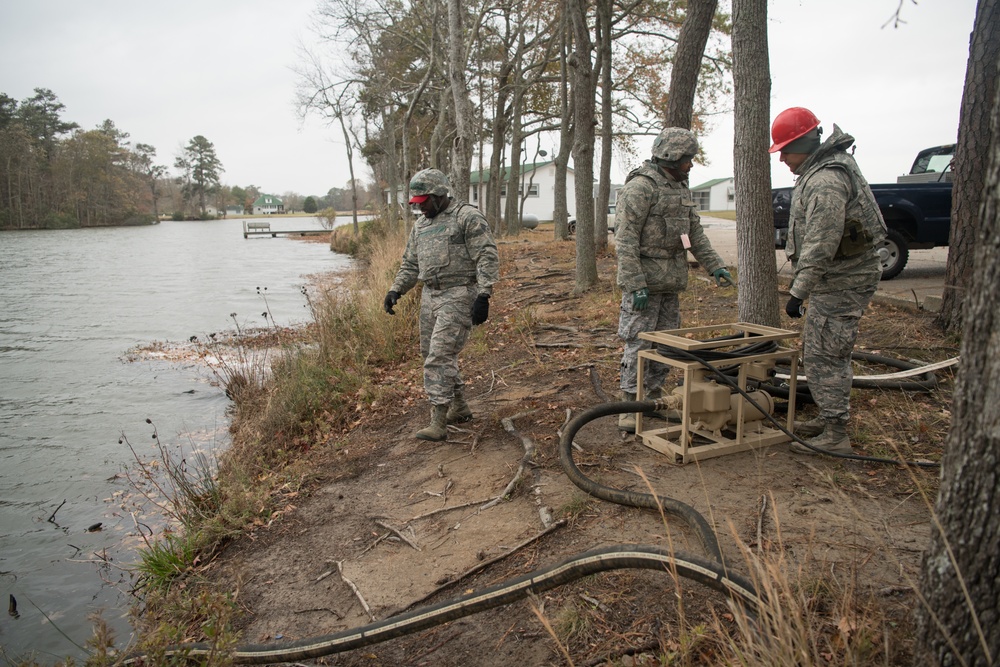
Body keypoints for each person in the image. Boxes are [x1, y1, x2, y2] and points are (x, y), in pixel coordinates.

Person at [769, 107, 886, 455]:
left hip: (842, 280)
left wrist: (797, 292)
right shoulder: (822, 169)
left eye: (785, 150)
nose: (783, 159)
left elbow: (822, 243)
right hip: (837, 278)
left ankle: (835, 434)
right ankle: (828, 417)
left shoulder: (824, 180)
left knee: (826, 355)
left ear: (803, 143)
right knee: (823, 351)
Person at [614, 127, 734, 433]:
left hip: (671, 283)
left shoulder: (681, 188)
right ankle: (629, 404)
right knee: (638, 344)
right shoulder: (641, 188)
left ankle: (653, 400)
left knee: (667, 345)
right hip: (644, 285)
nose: (690, 165)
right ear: (670, 156)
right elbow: (625, 240)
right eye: (686, 160)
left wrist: (715, 266)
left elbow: (694, 233)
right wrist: (635, 283)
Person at [383, 168, 499, 442]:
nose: (420, 209)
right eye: (416, 204)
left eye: (424, 203)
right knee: (430, 353)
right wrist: (396, 289)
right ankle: (459, 407)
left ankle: (438, 422)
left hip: (459, 294)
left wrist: (484, 294)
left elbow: (486, 255)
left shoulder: (466, 217)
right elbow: (410, 264)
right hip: (430, 296)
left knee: (439, 356)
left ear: (439, 195)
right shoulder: (420, 226)